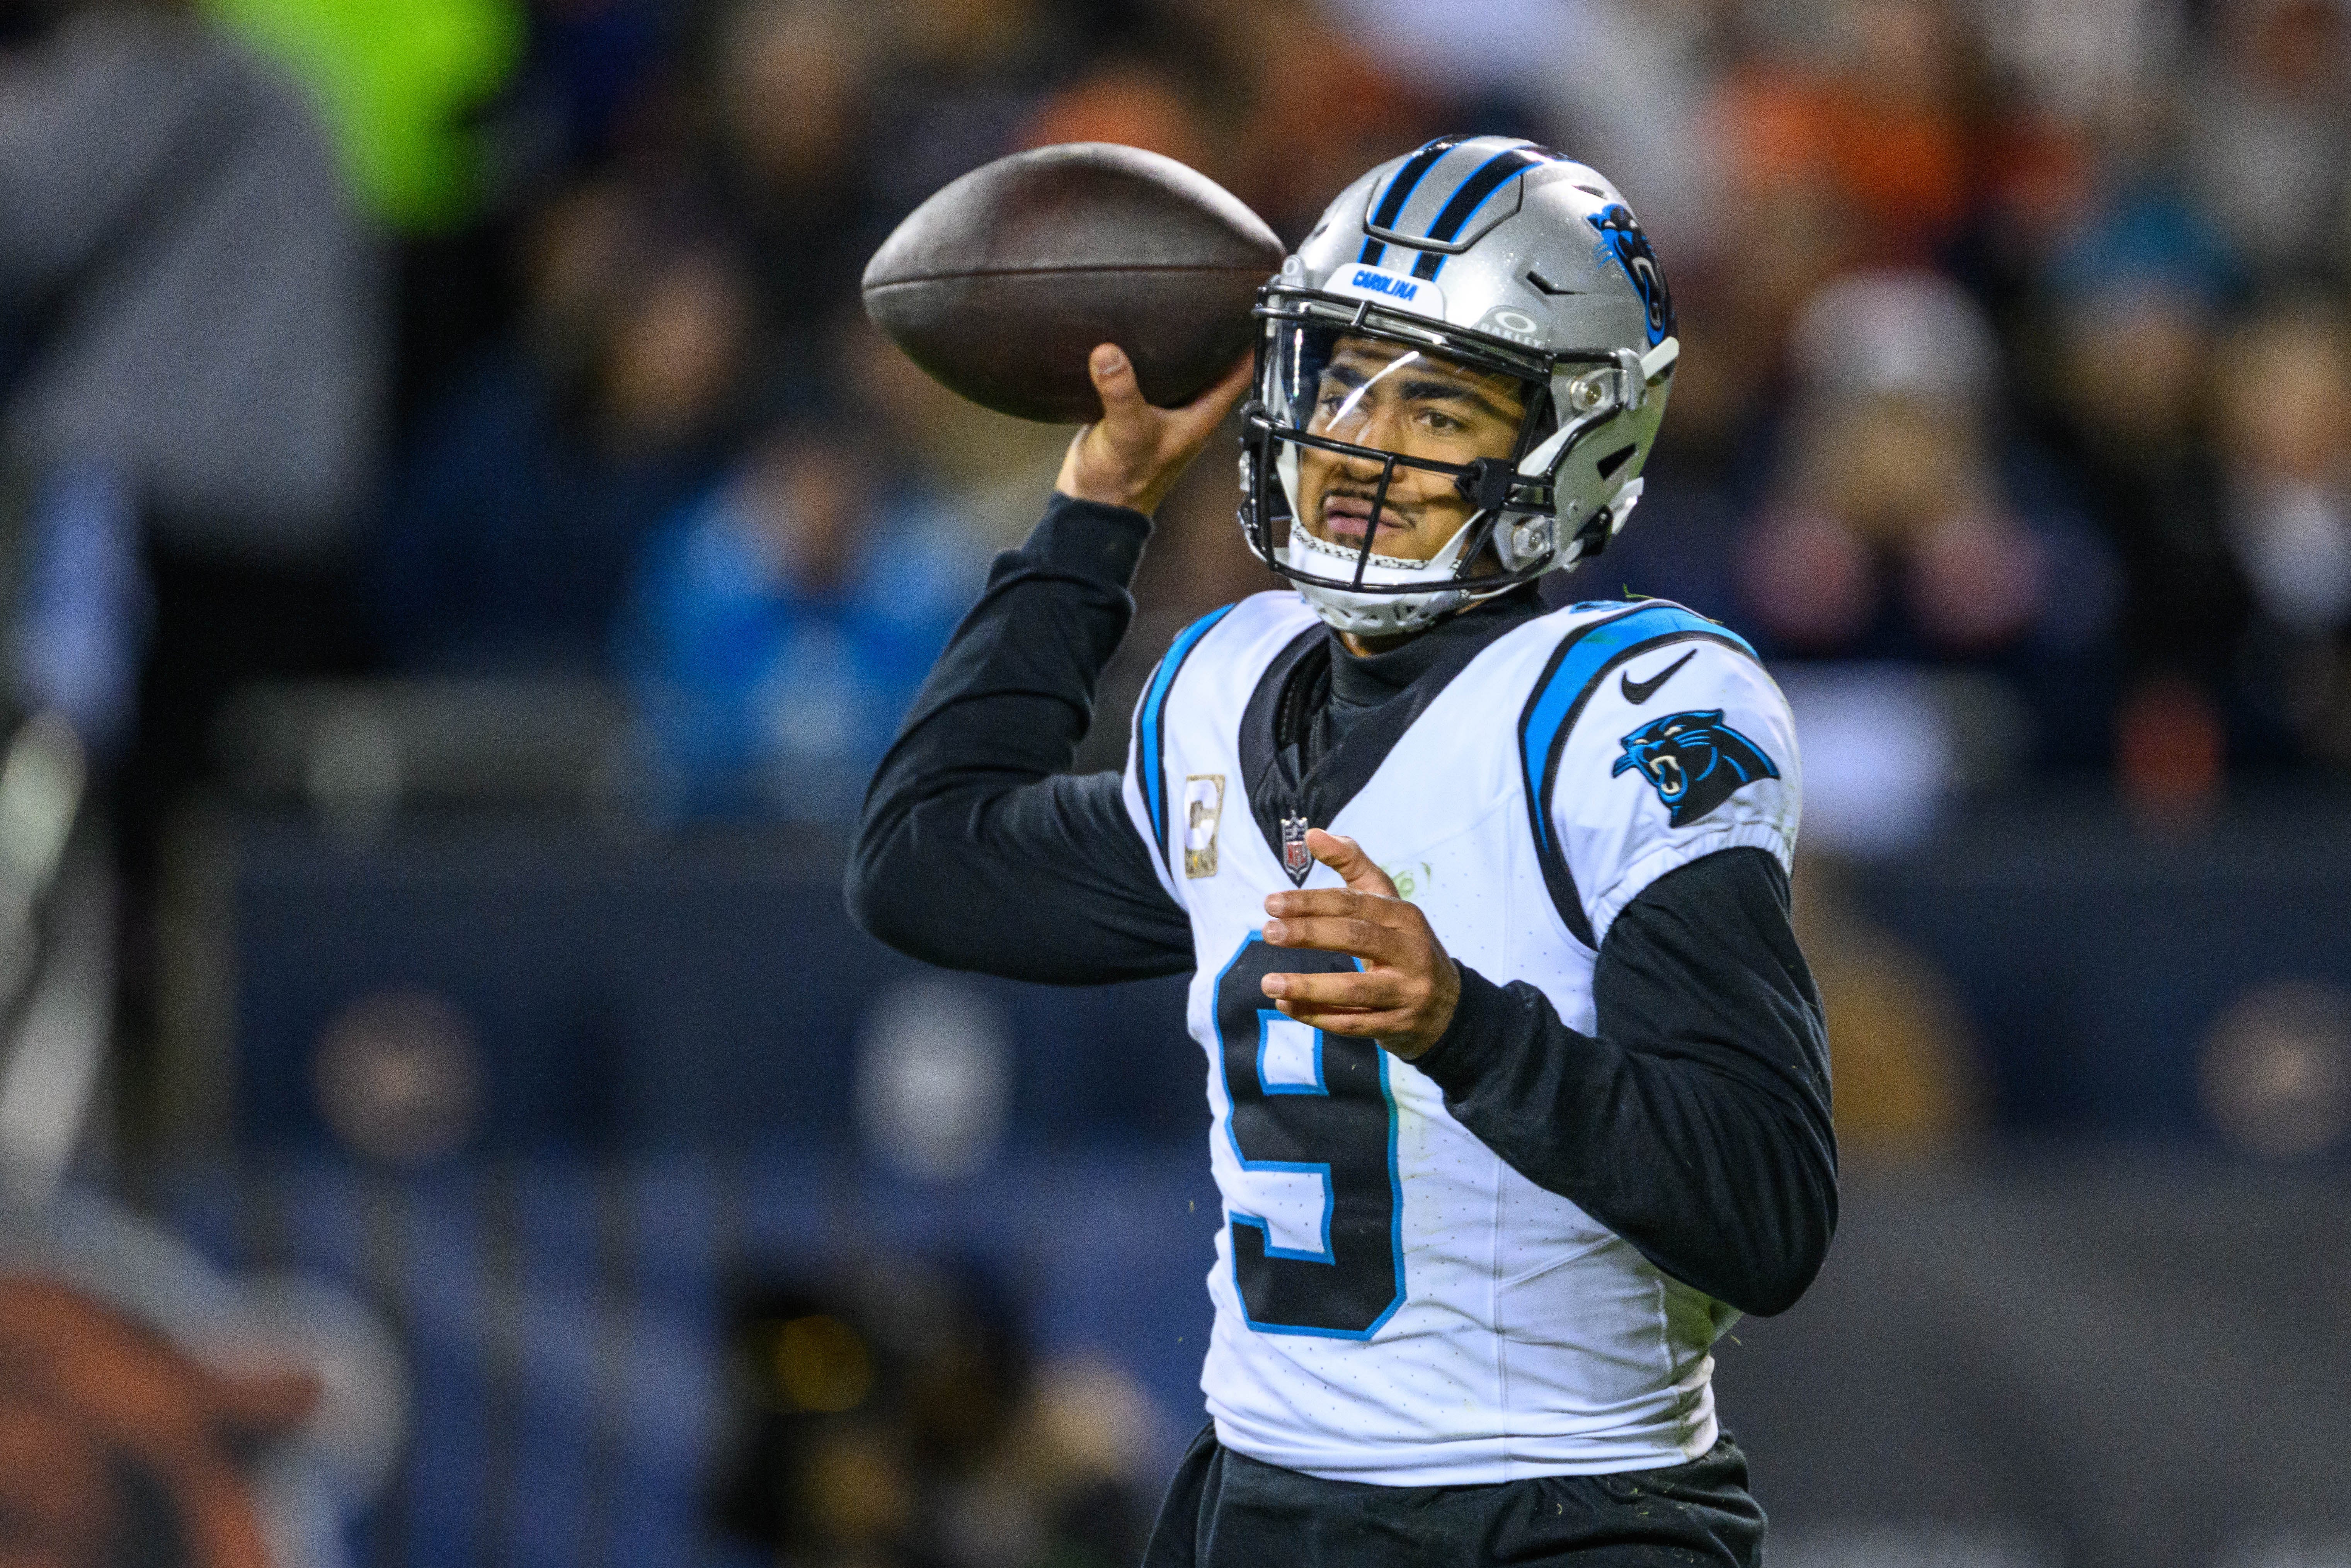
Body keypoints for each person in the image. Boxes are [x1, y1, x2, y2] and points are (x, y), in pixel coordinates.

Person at [849, 136, 1835, 1566]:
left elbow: (1766, 1210)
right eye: (1340, 380)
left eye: (1436, 407)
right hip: (1269, 1498)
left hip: (1565, 1509)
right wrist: (1092, 518)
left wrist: (1462, 1027)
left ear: (1572, 442)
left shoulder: (1622, 709)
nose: (1362, 446)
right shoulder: (1225, 683)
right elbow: (921, 861)